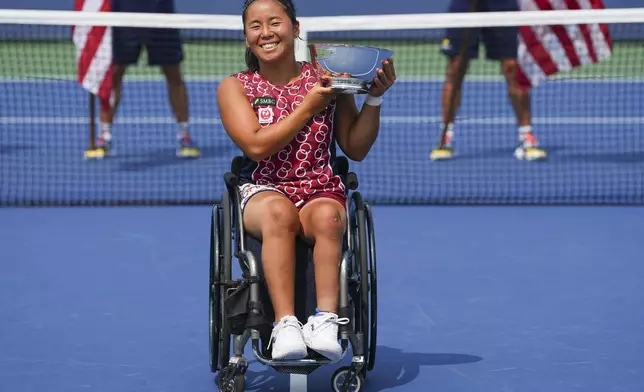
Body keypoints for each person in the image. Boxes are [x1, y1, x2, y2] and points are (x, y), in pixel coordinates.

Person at [217, 0, 395, 361]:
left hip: (320, 188)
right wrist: (308, 107)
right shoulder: (235, 87)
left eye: (275, 23)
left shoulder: (326, 80)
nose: (266, 32)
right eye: (255, 25)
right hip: (262, 190)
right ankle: (285, 325)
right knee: (278, 214)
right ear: (247, 36)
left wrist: (373, 99)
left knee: (330, 218)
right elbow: (255, 146)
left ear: (295, 29)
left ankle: (326, 320)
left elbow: (355, 148)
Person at [430, 0, 547, 161]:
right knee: (455, 68)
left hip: (501, 5)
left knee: (512, 68)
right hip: (465, 4)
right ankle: (445, 136)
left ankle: (526, 135)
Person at [84, 0, 200, 159]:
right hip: (122, 16)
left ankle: (184, 134)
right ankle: (104, 136)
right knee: (114, 75)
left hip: (161, 16)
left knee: (173, 74)